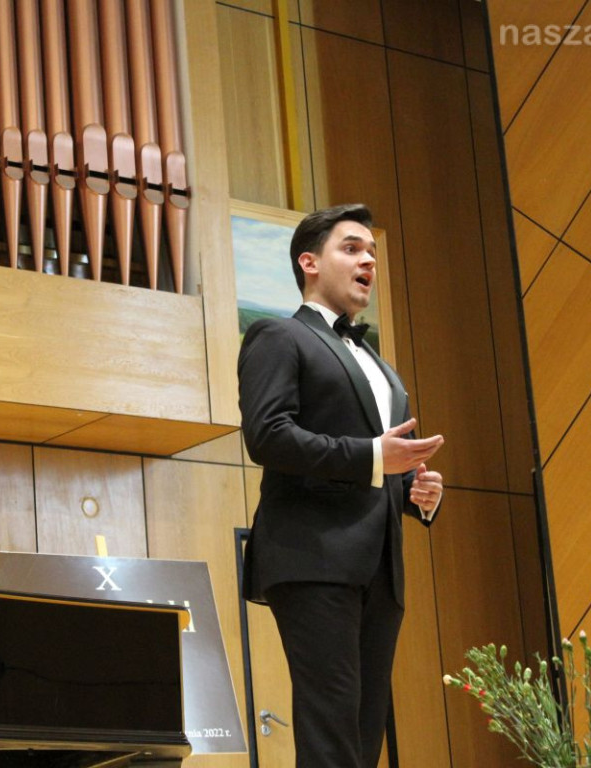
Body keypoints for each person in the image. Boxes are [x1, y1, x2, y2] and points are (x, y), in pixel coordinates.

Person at [238, 203, 444, 768]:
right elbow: (269, 437)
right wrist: (377, 455)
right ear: (309, 262)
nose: (368, 260)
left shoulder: (379, 363)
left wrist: (415, 494)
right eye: (351, 248)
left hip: (380, 564)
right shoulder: (278, 336)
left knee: (362, 730)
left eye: (372, 252)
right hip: (313, 557)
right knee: (331, 725)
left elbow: (376, 470)